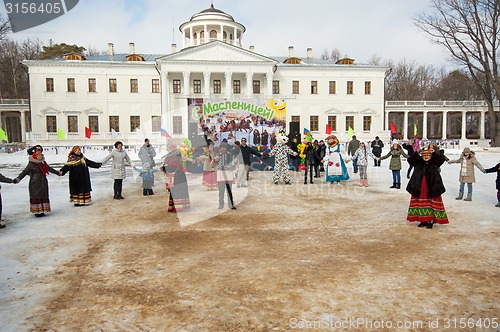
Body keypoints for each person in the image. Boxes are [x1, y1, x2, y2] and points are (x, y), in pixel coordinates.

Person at [406, 146, 449, 229]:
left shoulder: (434, 162)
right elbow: (410, 160)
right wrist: (417, 153)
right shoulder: (418, 162)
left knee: (431, 203)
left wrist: (433, 152)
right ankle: (423, 220)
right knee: (420, 203)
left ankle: (430, 220)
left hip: (432, 186)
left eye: (428, 155)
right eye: (424, 155)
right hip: (419, 186)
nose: (426, 157)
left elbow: (441, 159)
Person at [15, 145, 60, 218]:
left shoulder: (43, 163)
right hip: (35, 183)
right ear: (35, 156)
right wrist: (18, 178)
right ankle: (37, 211)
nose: (41, 156)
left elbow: (49, 169)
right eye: (39, 155)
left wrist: (58, 173)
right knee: (36, 196)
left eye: (41, 155)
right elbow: (24, 172)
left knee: (43, 195)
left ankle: (42, 210)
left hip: (43, 182)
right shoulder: (31, 164)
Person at [162, 146, 191, 212]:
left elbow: (164, 168)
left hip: (171, 178)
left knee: (173, 192)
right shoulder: (176, 159)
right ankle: (178, 207)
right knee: (179, 192)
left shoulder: (167, 158)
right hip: (179, 177)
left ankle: (171, 207)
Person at [215, 143, 237, 209]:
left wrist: (228, 168)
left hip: (229, 176)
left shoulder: (231, 156)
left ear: (226, 148)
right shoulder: (217, 156)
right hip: (220, 176)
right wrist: (218, 166)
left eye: (224, 147)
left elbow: (234, 165)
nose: (223, 149)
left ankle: (230, 204)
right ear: (219, 149)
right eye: (221, 147)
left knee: (229, 191)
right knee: (221, 191)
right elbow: (213, 165)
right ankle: (221, 204)